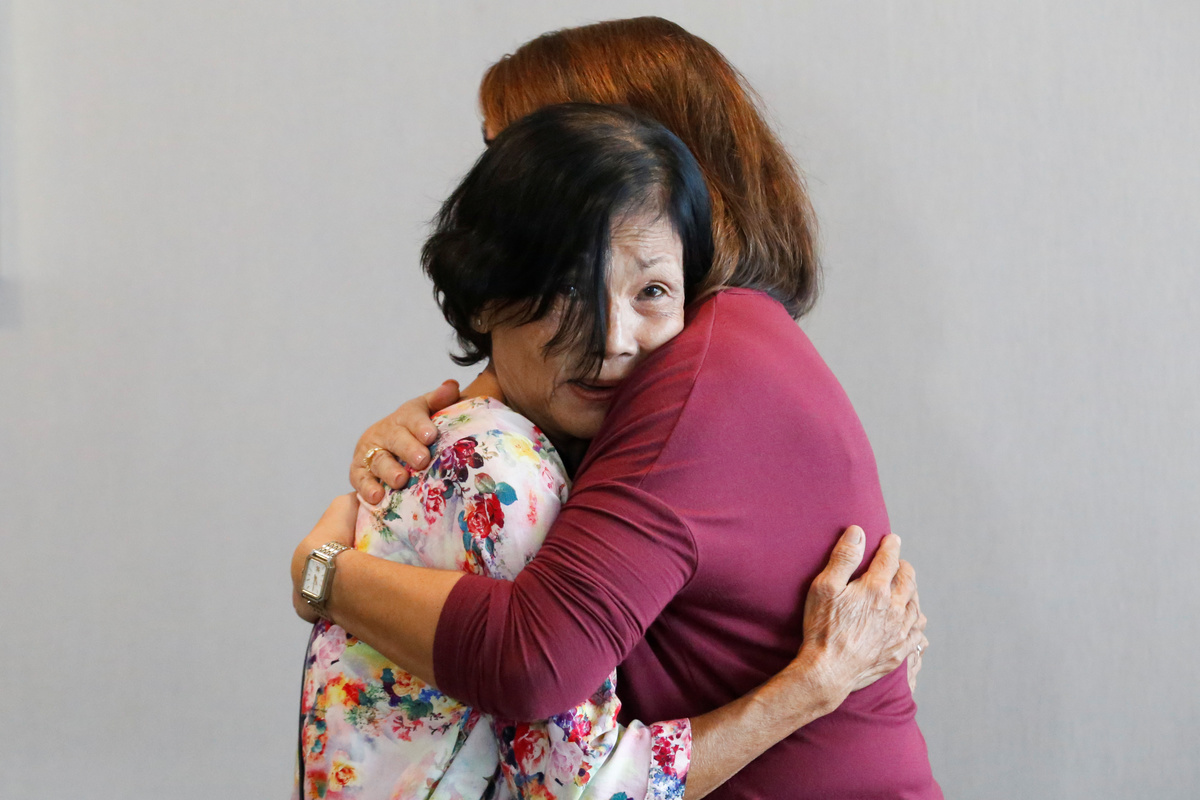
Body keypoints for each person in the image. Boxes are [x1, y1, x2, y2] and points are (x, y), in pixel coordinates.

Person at [297, 17, 939, 800]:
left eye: (513, 152)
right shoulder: (710, 348)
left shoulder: (707, 368)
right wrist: (438, 430)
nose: (499, 188)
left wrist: (322, 574)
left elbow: (533, 665)